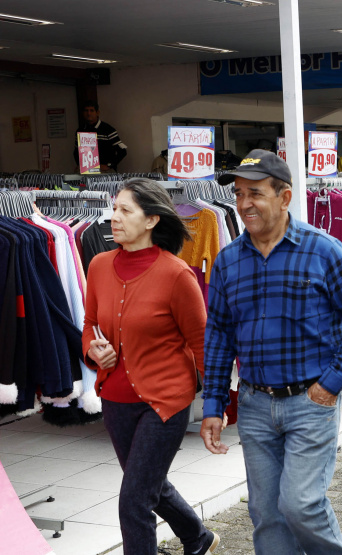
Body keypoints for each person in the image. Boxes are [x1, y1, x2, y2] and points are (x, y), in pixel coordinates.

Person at [201, 150, 342, 555]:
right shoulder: (228, 261)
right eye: (239, 194)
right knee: (266, 513)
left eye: (256, 193)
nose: (244, 204)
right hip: (255, 405)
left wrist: (331, 384)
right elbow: (219, 335)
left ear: (285, 197)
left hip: (310, 401)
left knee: (301, 504)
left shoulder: (324, 251)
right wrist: (213, 404)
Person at [82, 179, 219, 555]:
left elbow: (202, 343)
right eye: (114, 209)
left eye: (126, 210)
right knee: (148, 485)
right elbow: (89, 324)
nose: (114, 218)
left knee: (134, 500)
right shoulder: (98, 265)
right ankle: (198, 536)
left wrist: (215, 407)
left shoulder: (177, 274)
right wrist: (93, 352)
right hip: (115, 399)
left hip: (166, 402)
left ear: (151, 220)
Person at [73, 101, 127, 172]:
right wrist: (79, 164)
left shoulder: (108, 129)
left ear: (97, 112)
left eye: (91, 110)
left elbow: (122, 151)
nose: (89, 113)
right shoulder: (80, 130)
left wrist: (109, 165)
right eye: (86, 111)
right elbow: (76, 151)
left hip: (105, 171)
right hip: (86, 170)